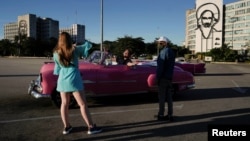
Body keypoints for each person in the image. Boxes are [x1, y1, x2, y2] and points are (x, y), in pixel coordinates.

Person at [53, 32, 102, 135]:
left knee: (64, 104)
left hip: (62, 79)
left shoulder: (56, 53)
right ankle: (91, 127)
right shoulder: (74, 49)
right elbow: (88, 45)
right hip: (74, 77)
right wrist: (79, 43)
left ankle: (67, 127)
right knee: (82, 104)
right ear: (69, 40)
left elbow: (57, 70)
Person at [156, 36, 175, 121]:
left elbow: (161, 67)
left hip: (163, 78)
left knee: (162, 97)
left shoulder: (163, 52)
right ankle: (170, 114)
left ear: (165, 43)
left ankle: (161, 114)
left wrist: (158, 77)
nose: (159, 44)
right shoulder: (171, 51)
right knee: (169, 97)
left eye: (160, 43)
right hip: (169, 77)